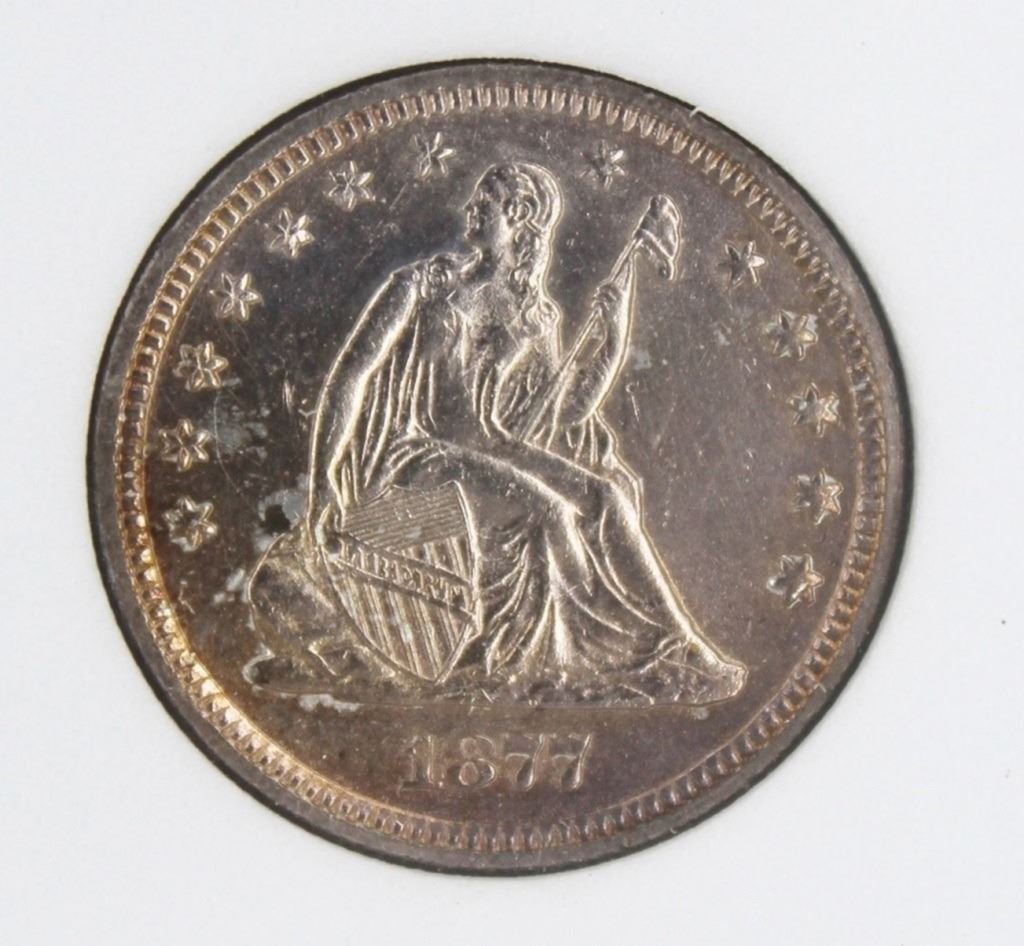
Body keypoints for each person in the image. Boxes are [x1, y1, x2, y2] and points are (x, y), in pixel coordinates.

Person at [248, 162, 746, 706]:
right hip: (421, 455)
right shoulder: (425, 286)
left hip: (494, 446)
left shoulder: (535, 316)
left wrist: (612, 337)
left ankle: (679, 644)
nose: (470, 209)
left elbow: (567, 412)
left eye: (484, 203)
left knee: (606, 495)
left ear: (520, 215)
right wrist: (324, 479)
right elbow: (351, 376)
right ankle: (605, 659)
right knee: (550, 510)